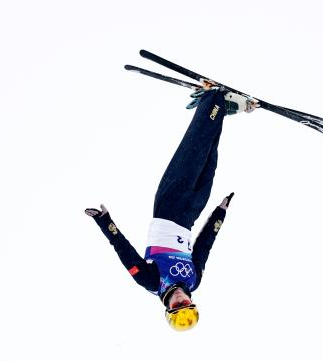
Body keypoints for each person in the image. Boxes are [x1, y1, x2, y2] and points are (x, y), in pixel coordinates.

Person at [85, 85, 257, 331]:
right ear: (191, 302)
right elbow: (204, 247)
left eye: (177, 306)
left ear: (168, 308)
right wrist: (220, 213)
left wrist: (105, 222)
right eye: (186, 304)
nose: (180, 300)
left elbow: (124, 251)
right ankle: (220, 110)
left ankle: (212, 99)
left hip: (168, 207)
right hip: (189, 215)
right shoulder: (194, 280)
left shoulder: (152, 281)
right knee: (209, 158)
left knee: (194, 151)